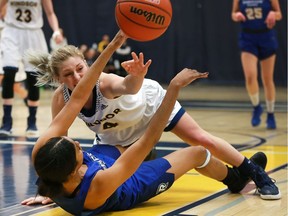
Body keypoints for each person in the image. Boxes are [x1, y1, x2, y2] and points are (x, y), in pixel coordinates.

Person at [21, 31, 269, 215]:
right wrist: (174, 87)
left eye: (80, 69)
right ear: (73, 171)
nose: (76, 143)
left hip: (139, 110)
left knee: (199, 136)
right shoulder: (98, 186)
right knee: (197, 151)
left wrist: (50, 191)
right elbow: (150, 138)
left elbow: (121, 88)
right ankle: (236, 179)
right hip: (125, 142)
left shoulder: (48, 157)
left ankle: (250, 171)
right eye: (68, 74)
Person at [0, 0, 64, 138]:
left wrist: (56, 31)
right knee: (9, 73)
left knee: (33, 77)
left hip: (33, 34)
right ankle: (6, 121)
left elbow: (50, 13)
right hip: (11, 31)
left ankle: (32, 121)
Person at [231, 0, 282, 129]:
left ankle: (270, 114)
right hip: (248, 37)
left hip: (266, 37)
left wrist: (273, 14)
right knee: (250, 76)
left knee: (267, 79)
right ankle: (256, 107)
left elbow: (279, 14)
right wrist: (236, 16)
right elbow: (233, 13)